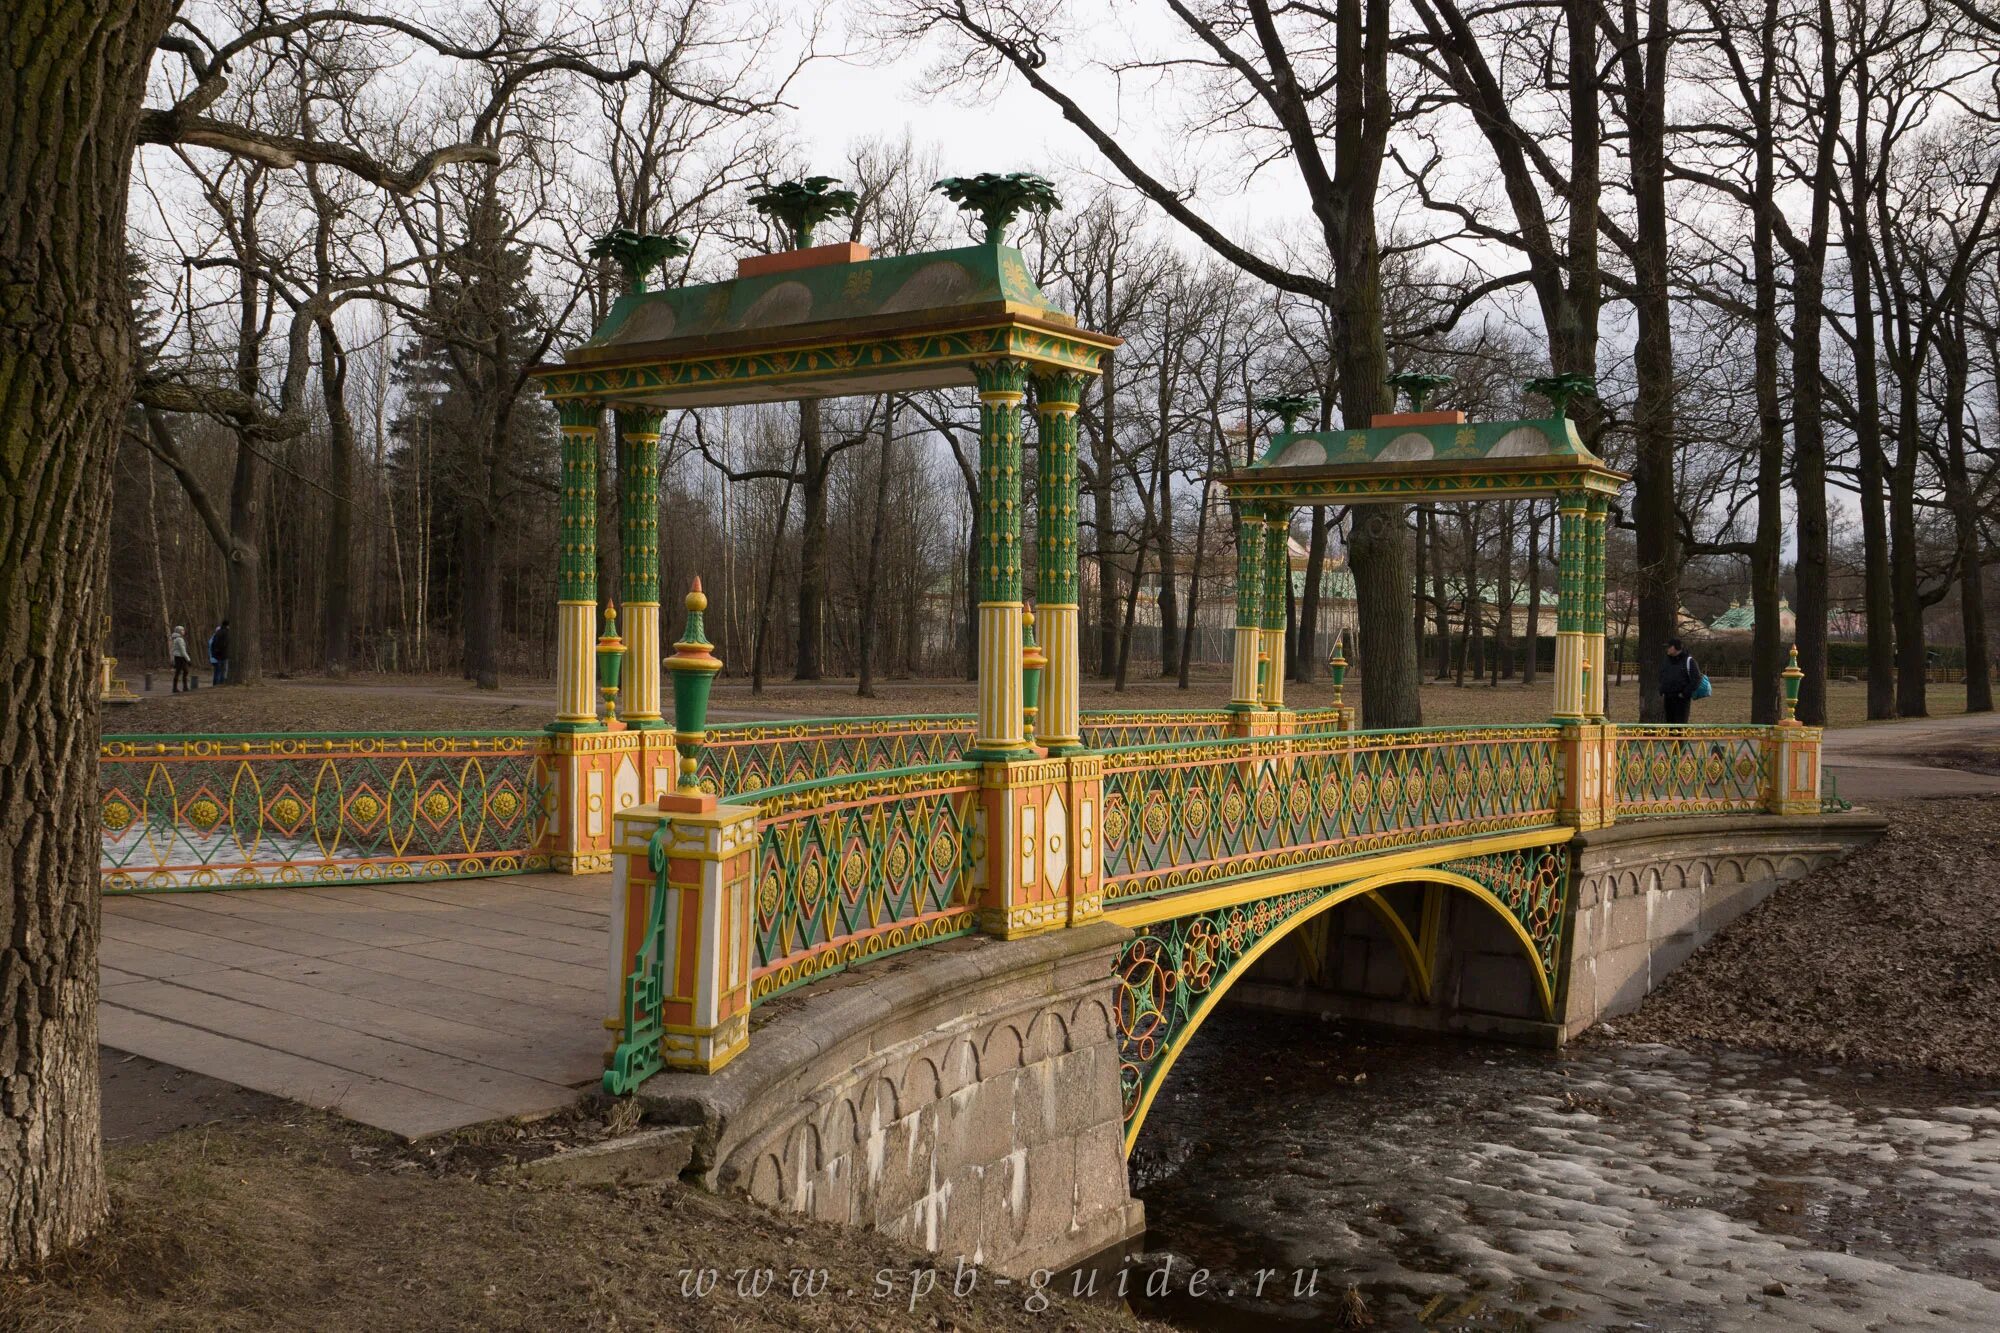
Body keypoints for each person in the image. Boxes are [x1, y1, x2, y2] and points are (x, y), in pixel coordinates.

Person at [1659, 638, 1700, 724]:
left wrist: (1684, 693)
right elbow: (1662, 675)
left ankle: (1679, 738)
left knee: (1679, 726)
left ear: (1675, 648)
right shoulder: (1667, 660)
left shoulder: (1689, 660)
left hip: (1681, 700)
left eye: (1669, 647)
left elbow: (1696, 679)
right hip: (1668, 698)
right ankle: (1672, 738)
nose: (1667, 649)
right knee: (1670, 724)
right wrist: (1662, 690)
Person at [169, 624, 191, 694]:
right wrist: (188, 659)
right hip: (180, 657)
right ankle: (182, 687)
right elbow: (183, 650)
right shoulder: (180, 639)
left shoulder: (176, 638)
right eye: (182, 630)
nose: (184, 631)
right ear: (179, 631)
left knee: (181, 672)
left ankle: (180, 687)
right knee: (184, 671)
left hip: (178, 657)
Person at [208, 619, 230, 687]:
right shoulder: (225, 633)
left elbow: (212, 647)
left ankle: (216, 684)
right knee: (221, 671)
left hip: (216, 656)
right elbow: (223, 644)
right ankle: (219, 684)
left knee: (218, 671)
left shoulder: (216, 635)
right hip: (221, 655)